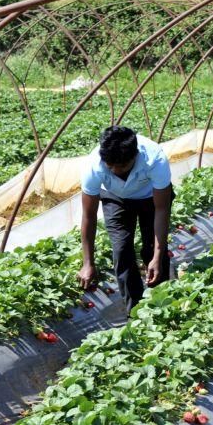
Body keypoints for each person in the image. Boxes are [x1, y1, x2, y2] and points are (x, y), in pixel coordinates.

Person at [78, 126, 173, 313]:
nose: (114, 170)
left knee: (152, 250)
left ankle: (162, 305)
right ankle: (135, 311)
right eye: (110, 165)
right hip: (115, 198)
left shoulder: (155, 159)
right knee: (121, 249)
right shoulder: (93, 166)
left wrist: (156, 256)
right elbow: (88, 215)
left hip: (150, 198)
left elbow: (162, 209)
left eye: (121, 166)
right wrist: (88, 262)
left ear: (135, 156)